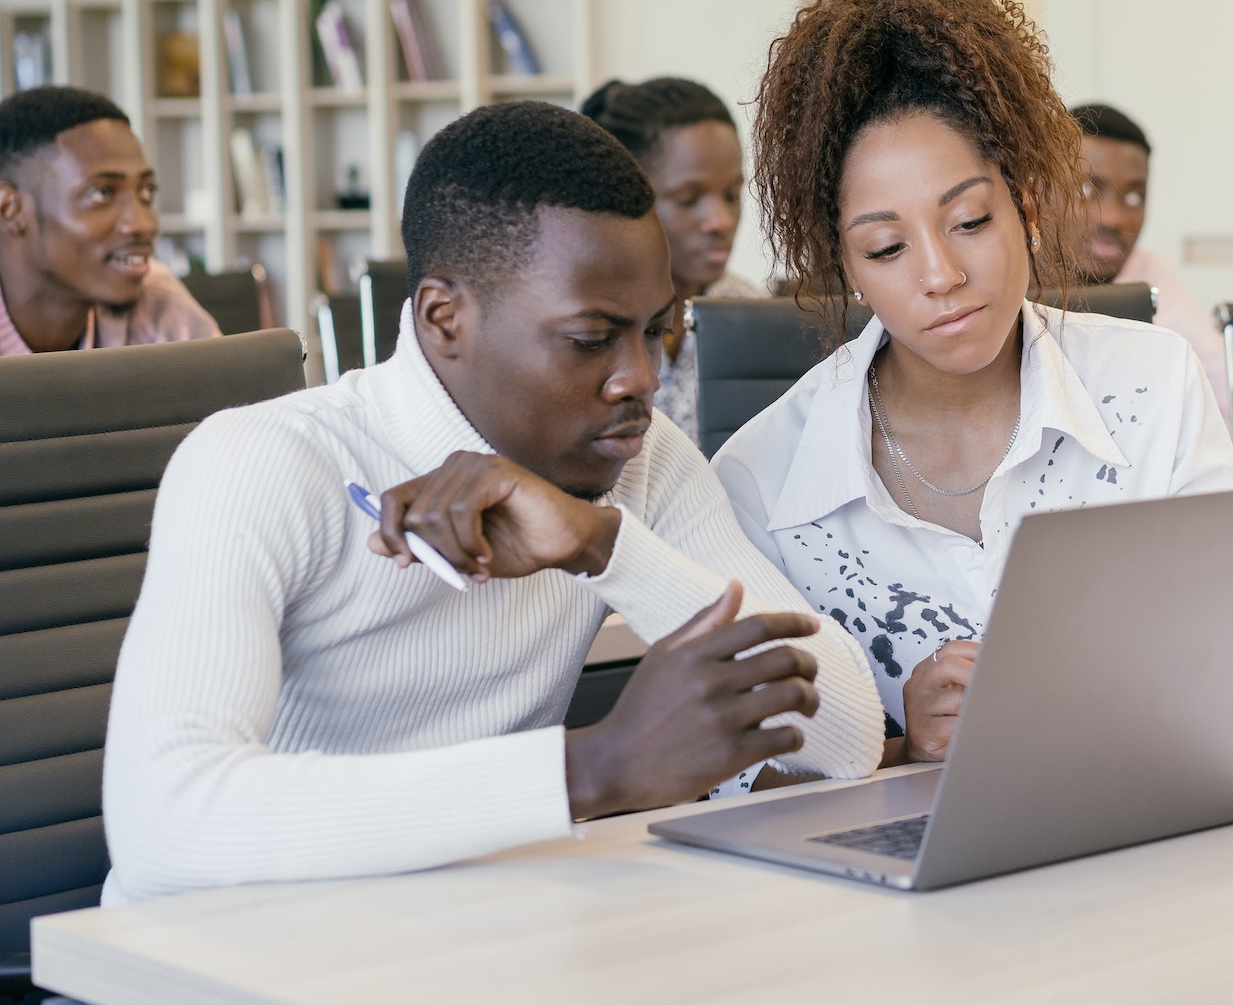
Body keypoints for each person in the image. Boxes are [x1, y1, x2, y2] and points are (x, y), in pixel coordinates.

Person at [103, 101, 884, 902]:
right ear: (446, 318)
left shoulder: (638, 457)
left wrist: (600, 546)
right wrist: (594, 768)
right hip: (231, 953)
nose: (642, 379)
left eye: (658, 331)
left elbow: (848, 736)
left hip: (471, 934)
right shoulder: (264, 463)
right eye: (591, 340)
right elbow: (165, 825)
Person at [712, 0, 1233, 785]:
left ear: (1025, 201)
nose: (941, 273)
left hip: (1153, 837)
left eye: (970, 220)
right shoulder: (762, 479)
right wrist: (901, 750)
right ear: (842, 262)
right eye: (886, 248)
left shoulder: (1152, 382)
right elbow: (746, 782)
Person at [583, 77, 763, 438]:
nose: (721, 221)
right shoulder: (585, 326)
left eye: (731, 194)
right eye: (687, 199)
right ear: (626, 197)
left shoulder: (752, 316)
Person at [0, 84, 216, 353]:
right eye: (102, 193)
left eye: (146, 191)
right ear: (10, 208)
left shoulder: (158, 300)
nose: (143, 224)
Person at [1069, 102, 1232, 423]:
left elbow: (1222, 401)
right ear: (1038, 189)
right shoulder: (1002, 279)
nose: (1113, 218)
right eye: (1087, 190)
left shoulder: (1150, 281)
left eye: (1134, 197)